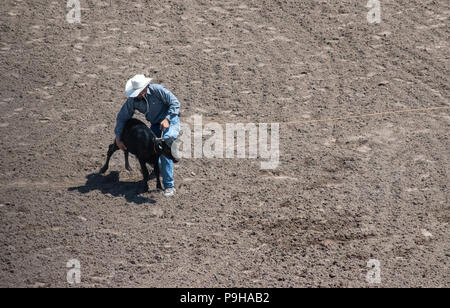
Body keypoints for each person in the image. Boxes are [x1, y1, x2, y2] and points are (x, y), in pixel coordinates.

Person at [114, 74, 180, 197]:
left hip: (171, 122)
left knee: (164, 146)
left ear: (146, 87)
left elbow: (175, 103)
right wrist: (118, 137)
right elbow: (122, 117)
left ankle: (169, 186)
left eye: (139, 92)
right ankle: (161, 169)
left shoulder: (158, 90)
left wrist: (167, 118)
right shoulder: (133, 101)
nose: (138, 95)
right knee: (150, 150)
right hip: (155, 125)